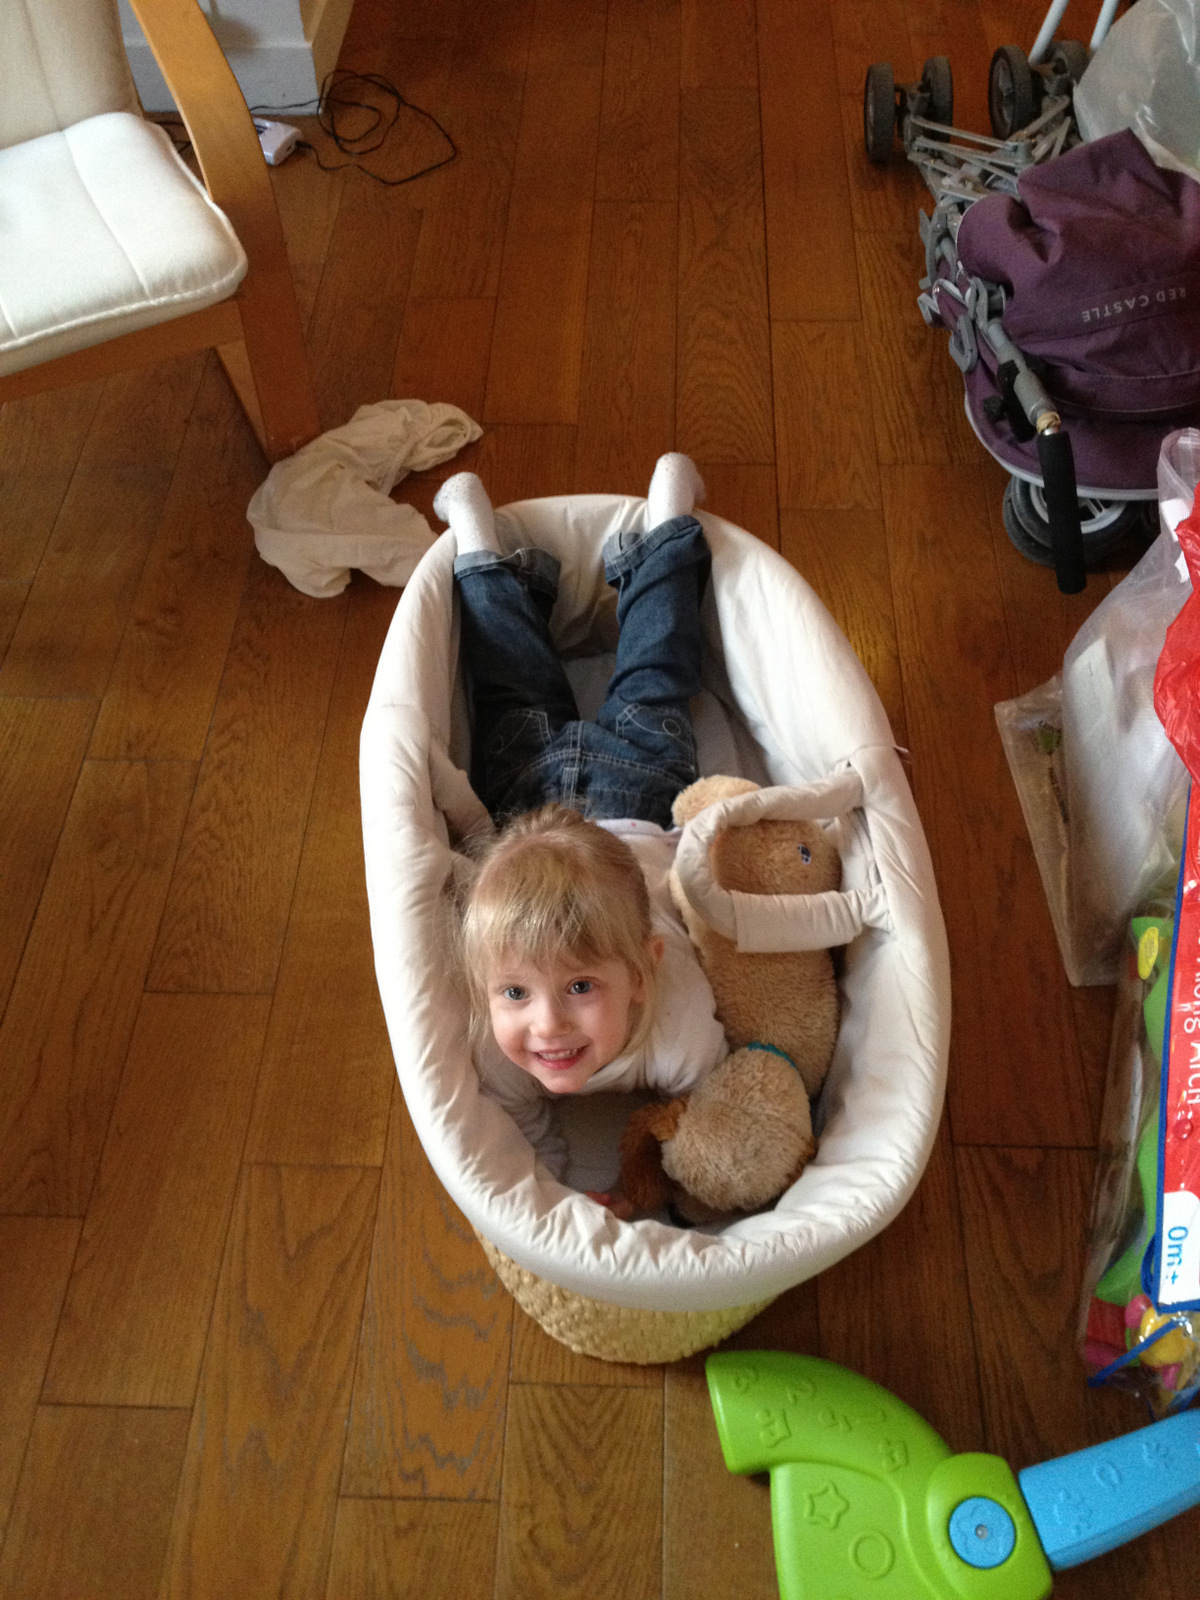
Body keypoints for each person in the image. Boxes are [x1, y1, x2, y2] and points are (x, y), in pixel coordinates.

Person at [437, 455, 729, 1191]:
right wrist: (562, 1188)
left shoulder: (682, 1025)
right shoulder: (497, 1050)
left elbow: (708, 1104)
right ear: (485, 984)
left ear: (644, 972)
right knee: (637, 676)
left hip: (541, 797)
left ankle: (489, 543)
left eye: (579, 987)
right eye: (514, 993)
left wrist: (649, 1178)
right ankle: (654, 521)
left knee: (537, 683)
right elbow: (524, 1133)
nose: (547, 1027)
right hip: (626, 791)